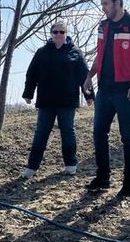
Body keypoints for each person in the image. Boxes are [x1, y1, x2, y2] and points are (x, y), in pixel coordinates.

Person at [83, 0, 130, 199]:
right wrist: (89, 75)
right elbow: (99, 55)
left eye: (106, 4)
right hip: (105, 90)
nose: (104, 8)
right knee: (99, 133)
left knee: (128, 137)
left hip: (126, 91)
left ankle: (129, 183)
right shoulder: (103, 27)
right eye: (102, 5)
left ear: (118, 3)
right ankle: (103, 177)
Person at [21, 21, 93, 179]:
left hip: (67, 101)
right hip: (46, 100)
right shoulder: (42, 52)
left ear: (66, 34)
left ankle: (70, 165)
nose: (59, 35)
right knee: (41, 133)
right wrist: (28, 92)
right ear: (51, 34)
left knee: (68, 132)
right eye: (56, 32)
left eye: (62, 32)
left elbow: (84, 75)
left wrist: (89, 95)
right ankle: (31, 167)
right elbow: (32, 73)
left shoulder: (75, 52)